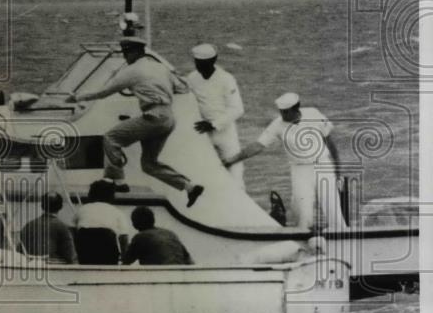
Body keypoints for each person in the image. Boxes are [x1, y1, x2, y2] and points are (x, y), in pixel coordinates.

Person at [66, 37, 204, 208]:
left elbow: (104, 92)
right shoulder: (160, 67)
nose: (125, 57)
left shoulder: (132, 71)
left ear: (135, 53)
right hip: (168, 117)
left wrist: (78, 97)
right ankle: (189, 187)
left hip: (153, 115)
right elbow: (183, 88)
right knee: (149, 164)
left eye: (126, 53)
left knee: (111, 138)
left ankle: (118, 182)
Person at [223, 93, 346, 232]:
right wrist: (231, 160)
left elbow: (331, 144)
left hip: (323, 164)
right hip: (299, 169)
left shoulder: (313, 113)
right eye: (281, 111)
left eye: (286, 112)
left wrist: (338, 173)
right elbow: (258, 146)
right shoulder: (277, 124)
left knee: (331, 204)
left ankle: (340, 233)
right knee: (303, 209)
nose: (282, 115)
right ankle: (304, 235)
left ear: (296, 108)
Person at [186, 43, 247, 189]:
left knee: (235, 172)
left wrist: (214, 124)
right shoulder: (192, 78)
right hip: (202, 133)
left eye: (203, 63)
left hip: (225, 133)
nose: (200, 67)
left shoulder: (227, 79)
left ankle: (239, 203)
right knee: (204, 174)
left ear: (213, 60)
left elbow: (237, 109)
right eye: (197, 63)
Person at [74, 179, 131, 264]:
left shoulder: (82, 209)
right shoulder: (117, 212)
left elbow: (71, 231)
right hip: (107, 252)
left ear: (91, 194)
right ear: (111, 196)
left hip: (85, 251)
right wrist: (125, 261)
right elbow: (123, 238)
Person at [122, 205, 194, 265]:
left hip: (160, 275)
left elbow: (126, 262)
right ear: (153, 219)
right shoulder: (170, 233)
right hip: (179, 274)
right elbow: (189, 261)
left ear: (134, 224)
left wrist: (124, 243)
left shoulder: (140, 237)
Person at [19, 192, 78, 264]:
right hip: (54, 268)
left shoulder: (28, 226)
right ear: (61, 207)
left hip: (31, 266)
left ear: (42, 206)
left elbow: (20, 251)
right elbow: (71, 256)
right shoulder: (64, 228)